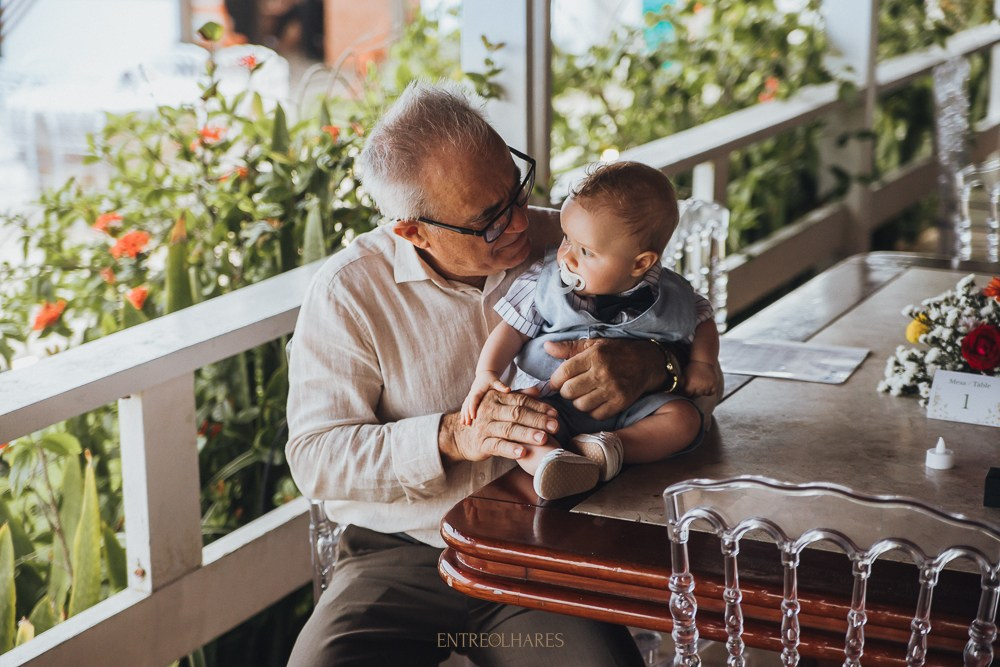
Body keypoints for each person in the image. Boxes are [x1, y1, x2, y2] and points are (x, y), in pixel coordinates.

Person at [285, 80, 712, 666]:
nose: (519, 224)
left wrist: (657, 368)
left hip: (544, 544)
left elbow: (700, 378)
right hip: (401, 556)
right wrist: (452, 438)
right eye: (488, 220)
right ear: (410, 229)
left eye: (516, 191)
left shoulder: (581, 241)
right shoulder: (349, 292)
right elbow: (314, 457)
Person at [461, 161, 720, 500]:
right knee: (524, 430)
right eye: (566, 238)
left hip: (637, 407)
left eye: (585, 251)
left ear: (641, 263)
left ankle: (612, 450)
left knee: (684, 420)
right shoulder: (544, 281)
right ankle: (552, 463)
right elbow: (510, 330)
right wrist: (487, 372)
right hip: (552, 401)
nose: (566, 256)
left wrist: (703, 363)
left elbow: (701, 320)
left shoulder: (673, 295)